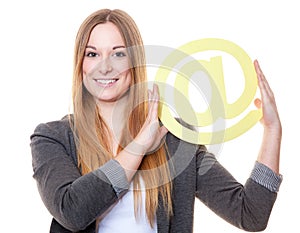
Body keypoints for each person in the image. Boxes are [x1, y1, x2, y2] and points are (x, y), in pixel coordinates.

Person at [30, 8, 282, 233]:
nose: (104, 67)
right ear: (80, 64)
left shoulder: (176, 139)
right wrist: (138, 147)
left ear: (134, 62)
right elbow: (72, 212)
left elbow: (251, 215)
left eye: (118, 54)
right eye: (92, 54)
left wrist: (272, 131)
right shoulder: (52, 138)